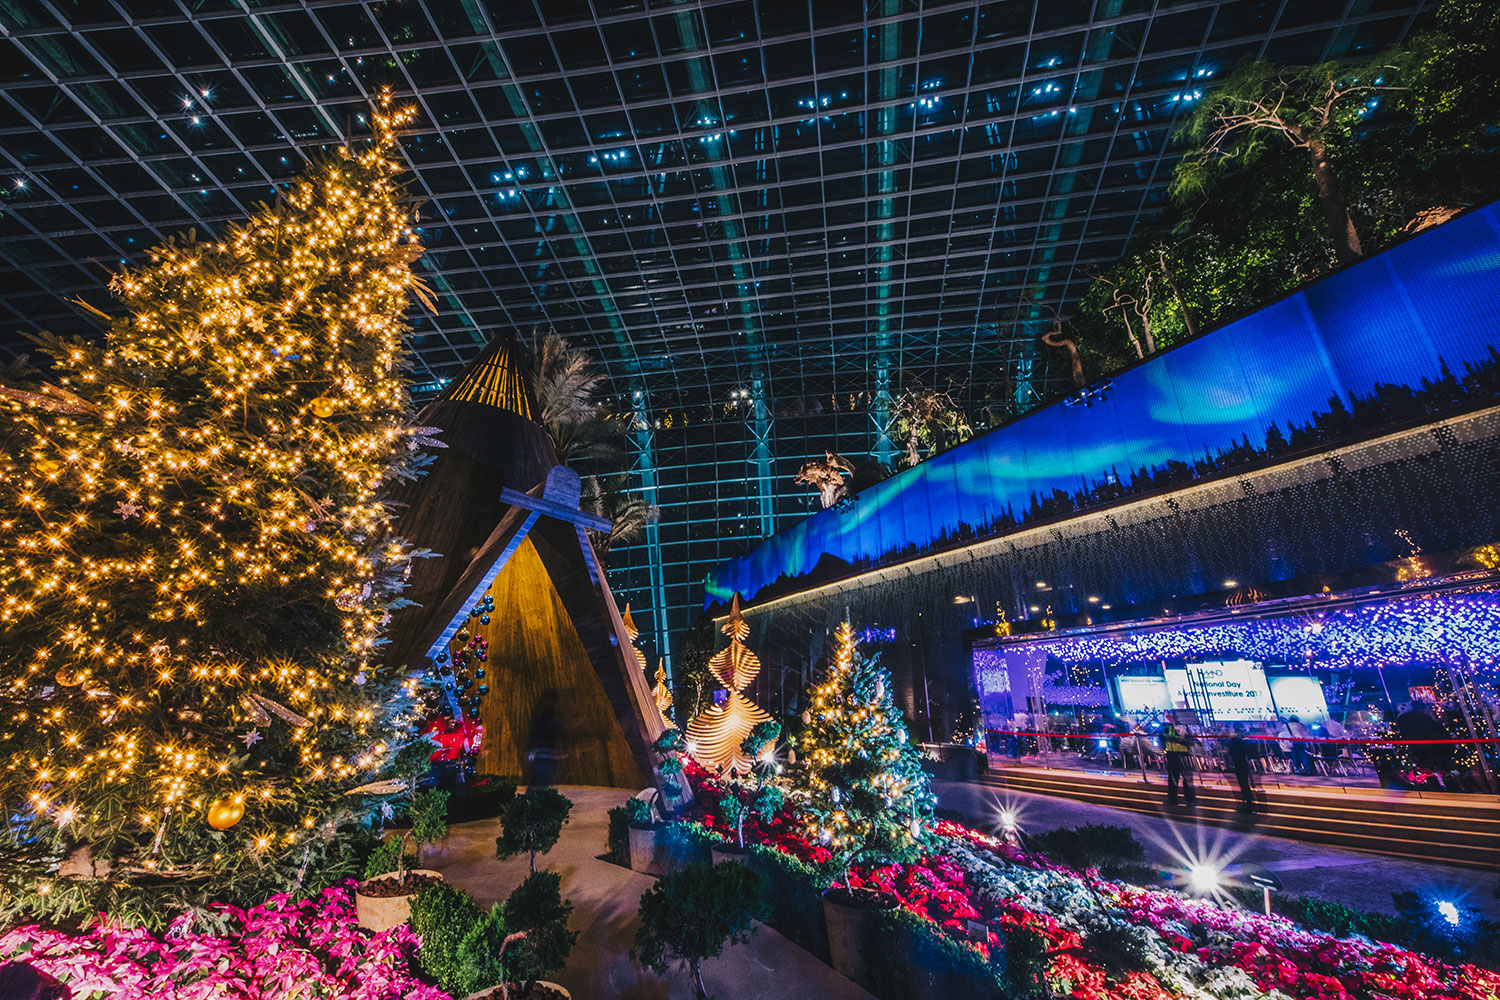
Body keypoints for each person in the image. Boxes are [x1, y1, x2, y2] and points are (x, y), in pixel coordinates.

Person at [526, 687, 560, 787]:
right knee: (540, 781)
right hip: (542, 751)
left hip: (542, 751)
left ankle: (532, 799)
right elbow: (540, 732)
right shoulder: (545, 713)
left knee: (540, 780)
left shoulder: (543, 712)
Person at [1160, 719, 1196, 806]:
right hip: (1176, 754)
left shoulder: (1184, 727)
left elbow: (1190, 741)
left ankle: (1187, 800)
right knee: (1175, 779)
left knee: (1184, 779)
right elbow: (1164, 738)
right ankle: (1179, 799)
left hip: (1180, 755)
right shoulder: (1168, 727)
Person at [1226, 730, 1254, 812]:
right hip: (1244, 764)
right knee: (1245, 784)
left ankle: (1246, 805)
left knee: (1242, 784)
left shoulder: (1232, 743)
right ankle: (1248, 804)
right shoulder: (1243, 743)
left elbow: (1230, 754)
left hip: (1238, 764)